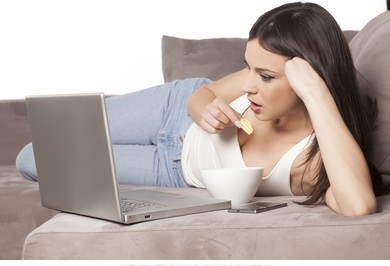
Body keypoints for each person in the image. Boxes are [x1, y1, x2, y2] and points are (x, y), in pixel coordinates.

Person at [16, 2, 384, 216]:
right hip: (169, 109)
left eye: (267, 76)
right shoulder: (257, 77)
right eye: (249, 67)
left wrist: (318, 94)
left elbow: (357, 204)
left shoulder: (311, 160)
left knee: (33, 158)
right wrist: (203, 109)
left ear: (309, 78)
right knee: (55, 134)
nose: (250, 84)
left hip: (174, 170)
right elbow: (203, 93)